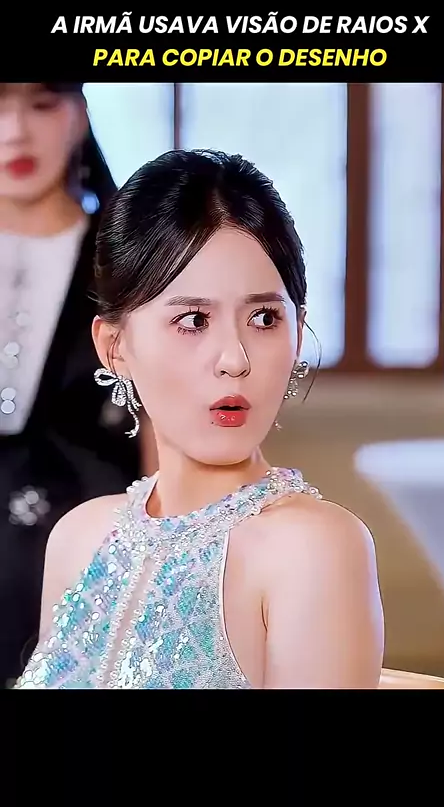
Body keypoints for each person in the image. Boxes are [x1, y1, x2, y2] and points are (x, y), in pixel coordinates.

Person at [14, 148, 384, 690]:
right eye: (193, 320)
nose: (235, 359)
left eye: (264, 318)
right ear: (114, 346)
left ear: (298, 330)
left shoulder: (313, 548)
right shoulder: (80, 536)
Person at [0, 83, 141, 688]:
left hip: (91, 564)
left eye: (40, 104)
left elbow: (165, 434)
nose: (15, 132)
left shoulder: (131, 268)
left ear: (79, 115)